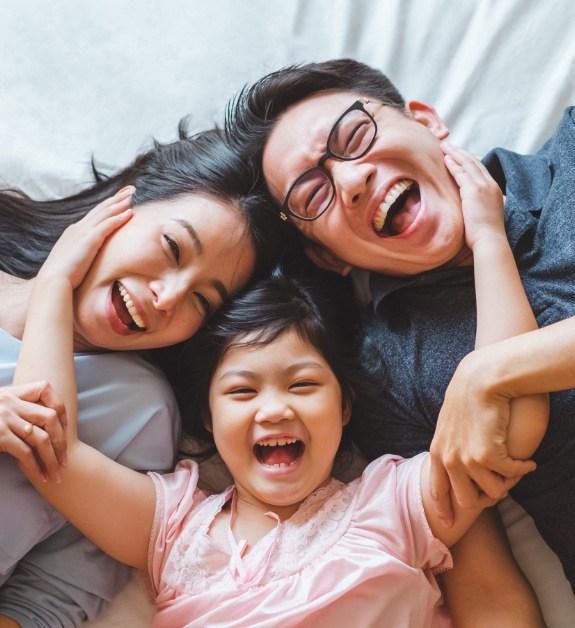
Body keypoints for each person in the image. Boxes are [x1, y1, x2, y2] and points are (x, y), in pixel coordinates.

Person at [6, 147, 545, 626]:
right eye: (242, 392)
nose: (273, 410)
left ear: (346, 407)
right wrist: (55, 282)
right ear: (208, 421)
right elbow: (48, 444)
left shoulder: (394, 505)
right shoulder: (172, 528)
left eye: (304, 384)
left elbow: (507, 418)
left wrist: (489, 241)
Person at [225, 58, 575, 594]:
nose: (351, 178)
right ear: (327, 258)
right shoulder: (384, 376)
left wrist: (487, 373)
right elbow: (483, 583)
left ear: (426, 120)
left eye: (354, 135)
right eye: (313, 195)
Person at [0, 128, 281, 626]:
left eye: (202, 300)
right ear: (122, 203)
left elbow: (47, 603)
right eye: (173, 247)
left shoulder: (139, 411)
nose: (168, 297)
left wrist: (56, 287)